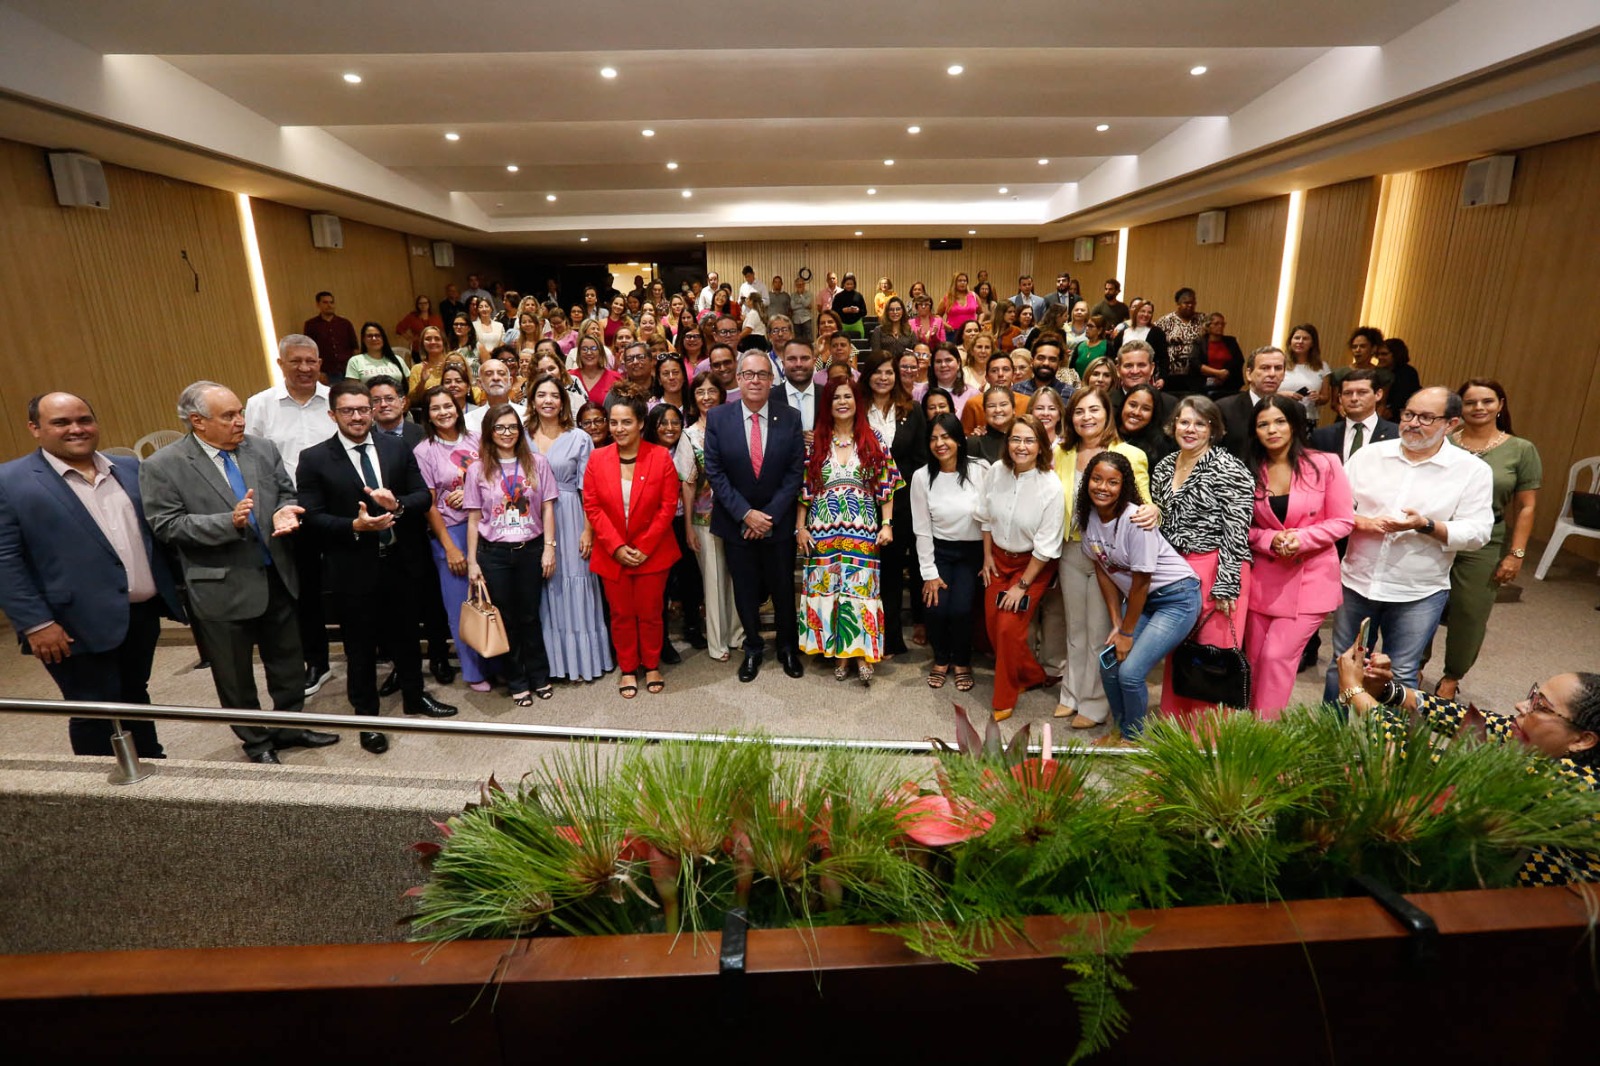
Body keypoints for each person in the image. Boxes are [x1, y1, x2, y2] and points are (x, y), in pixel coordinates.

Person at [141, 381, 340, 763]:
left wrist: (285, 509)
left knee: (287, 664)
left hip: (276, 576)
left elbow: (285, 491)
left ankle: (289, 727)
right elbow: (166, 526)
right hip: (221, 586)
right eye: (229, 415)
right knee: (235, 677)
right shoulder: (163, 466)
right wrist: (226, 522)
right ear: (197, 422)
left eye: (240, 412)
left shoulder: (261, 449)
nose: (240, 421)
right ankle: (257, 742)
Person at [0, 392, 185, 758]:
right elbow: (5, 559)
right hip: (68, 625)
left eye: (84, 419)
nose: (76, 429)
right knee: (91, 708)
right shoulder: (10, 481)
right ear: (35, 428)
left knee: (135, 694)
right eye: (61, 422)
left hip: (139, 613)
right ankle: (97, 794)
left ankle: (153, 765)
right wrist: (35, 623)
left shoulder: (129, 470)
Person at [1339, 643, 1600, 885]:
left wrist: (1355, 692)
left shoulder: (1578, 788)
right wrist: (1387, 691)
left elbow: (1432, 762)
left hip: (1542, 916)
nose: (1521, 706)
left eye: (1540, 706)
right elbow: (1480, 721)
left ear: (1583, 740)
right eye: (1532, 695)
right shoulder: (1568, 753)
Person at [297, 381, 457, 757]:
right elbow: (313, 518)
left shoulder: (396, 446)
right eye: (348, 410)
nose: (357, 416)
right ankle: (366, 719)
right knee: (361, 648)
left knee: (406, 636)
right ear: (332, 414)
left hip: (401, 562)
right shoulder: (315, 458)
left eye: (363, 409)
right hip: (353, 569)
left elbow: (422, 497)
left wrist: (397, 505)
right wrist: (354, 526)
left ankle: (415, 698)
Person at [1321, 387, 1494, 703]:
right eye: (1409, 414)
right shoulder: (1370, 456)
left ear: (1451, 424)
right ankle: (1329, 739)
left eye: (1426, 417)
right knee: (1343, 666)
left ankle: (1387, 748)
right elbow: (1335, 508)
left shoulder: (1471, 470)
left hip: (1418, 590)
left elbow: (1478, 532)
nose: (1413, 423)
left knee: (1401, 672)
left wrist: (1426, 525)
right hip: (1358, 580)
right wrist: (1362, 522)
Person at [1044, 386, 1152, 729]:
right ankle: (1071, 694)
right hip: (1071, 549)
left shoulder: (1128, 453)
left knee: (1099, 631)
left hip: (1108, 556)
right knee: (1074, 629)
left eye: (1094, 410)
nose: (1086, 417)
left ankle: (1095, 702)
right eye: (1078, 411)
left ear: (1107, 413)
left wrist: (1155, 513)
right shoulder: (1061, 452)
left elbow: (1145, 503)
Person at [1078, 450, 1203, 744]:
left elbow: (1141, 582)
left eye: (1112, 482)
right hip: (1142, 601)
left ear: (1124, 487)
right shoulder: (1088, 518)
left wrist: (1127, 632)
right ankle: (1122, 730)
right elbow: (1103, 568)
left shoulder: (1136, 520)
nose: (1102, 487)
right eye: (1096, 479)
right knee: (1109, 665)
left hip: (1176, 598)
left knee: (1131, 673)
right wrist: (1115, 621)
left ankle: (1133, 740)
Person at [1242, 396, 1354, 717]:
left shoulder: (1324, 464)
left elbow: (1343, 521)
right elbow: (1239, 527)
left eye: (1280, 421)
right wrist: (1269, 539)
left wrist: (1301, 538)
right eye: (1263, 424)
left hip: (1311, 579)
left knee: (1277, 658)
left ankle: (1265, 738)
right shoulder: (1250, 469)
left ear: (1294, 424)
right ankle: (1253, 729)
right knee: (1254, 661)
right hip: (1264, 579)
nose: (1272, 430)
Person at [1148, 395, 1256, 719]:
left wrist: (1226, 585)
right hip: (1175, 571)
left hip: (1216, 568)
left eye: (1199, 423)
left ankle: (1206, 742)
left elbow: (1237, 531)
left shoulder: (1229, 467)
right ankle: (1174, 734)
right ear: (1173, 426)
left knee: (1211, 657)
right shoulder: (1166, 465)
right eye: (1184, 422)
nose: (1190, 429)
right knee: (1180, 652)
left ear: (1213, 428)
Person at [703, 351, 808, 682]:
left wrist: (769, 516)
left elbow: (794, 474)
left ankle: (787, 647)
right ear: (737, 379)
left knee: (781, 589)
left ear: (772, 380)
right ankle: (752, 649)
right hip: (737, 524)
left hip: (777, 523)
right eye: (749, 375)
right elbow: (715, 473)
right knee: (745, 592)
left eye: (762, 375)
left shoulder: (790, 417)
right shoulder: (719, 418)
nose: (755, 381)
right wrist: (747, 515)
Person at [1435, 379, 1542, 700]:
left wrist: (1516, 553)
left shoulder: (1521, 449)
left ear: (1500, 404)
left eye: (1487, 401)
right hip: (1434, 534)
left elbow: (1526, 507)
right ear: (1459, 408)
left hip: (1484, 540)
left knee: (1470, 611)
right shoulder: (1443, 441)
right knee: (1421, 604)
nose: (1478, 408)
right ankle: (1413, 665)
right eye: (1470, 402)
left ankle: (1452, 677)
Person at [244, 334, 336, 697]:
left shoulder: (335, 400)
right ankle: (317, 660)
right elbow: (250, 456)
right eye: (296, 361)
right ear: (281, 364)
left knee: (352, 583)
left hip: (337, 509)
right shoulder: (261, 405)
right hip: (288, 511)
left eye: (311, 361)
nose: (304, 368)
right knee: (304, 590)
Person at [795, 378, 903, 684]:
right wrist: (799, 528)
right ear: (827, 405)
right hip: (822, 531)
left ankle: (861, 654)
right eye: (835, 398)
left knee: (860, 592)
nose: (842, 402)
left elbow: (887, 485)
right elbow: (806, 488)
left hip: (863, 530)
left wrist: (887, 523)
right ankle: (840, 656)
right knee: (829, 591)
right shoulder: (816, 441)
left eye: (848, 396)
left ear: (857, 401)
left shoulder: (873, 439)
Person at [582, 396, 681, 698]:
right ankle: (627, 667)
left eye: (626, 422)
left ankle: (651, 664)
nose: (619, 428)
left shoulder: (660, 457)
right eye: (614, 422)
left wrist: (644, 546)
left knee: (651, 612)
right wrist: (616, 547)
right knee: (621, 614)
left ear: (640, 424)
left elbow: (668, 506)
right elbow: (592, 506)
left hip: (652, 552)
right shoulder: (597, 459)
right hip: (613, 553)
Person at [464, 403, 559, 706]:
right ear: (490, 432)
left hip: (530, 550)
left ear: (520, 431)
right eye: (500, 428)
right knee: (506, 619)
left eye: (512, 427)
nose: (507, 433)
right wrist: (472, 562)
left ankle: (539, 676)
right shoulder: (478, 468)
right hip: (494, 554)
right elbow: (474, 518)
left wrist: (549, 548)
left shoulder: (537, 463)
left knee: (530, 616)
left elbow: (547, 508)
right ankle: (517, 680)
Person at [522, 375, 614, 684]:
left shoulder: (579, 438)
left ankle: (585, 662)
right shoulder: (521, 437)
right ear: (532, 400)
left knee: (577, 582)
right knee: (545, 589)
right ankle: (553, 664)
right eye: (541, 394)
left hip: (572, 515)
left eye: (554, 395)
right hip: (532, 520)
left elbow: (589, 489)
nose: (548, 400)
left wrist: (588, 531)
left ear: (563, 402)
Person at [976, 413, 1064, 722]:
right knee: (991, 625)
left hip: (1033, 567)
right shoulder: (996, 471)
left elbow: (1046, 546)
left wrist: (1021, 586)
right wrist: (987, 557)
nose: (1021, 446)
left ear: (1041, 446)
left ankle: (1005, 697)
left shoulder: (1051, 486)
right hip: (997, 558)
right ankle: (1032, 675)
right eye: (1016, 439)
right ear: (1007, 442)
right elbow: (985, 517)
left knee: (1008, 628)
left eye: (1029, 440)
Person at [413, 385, 491, 692]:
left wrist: (471, 489)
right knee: (462, 603)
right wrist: (448, 547)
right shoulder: (424, 450)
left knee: (490, 598)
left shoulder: (476, 438)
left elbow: (493, 474)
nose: (443, 412)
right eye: (435, 408)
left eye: (448, 406)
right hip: (451, 532)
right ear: (428, 415)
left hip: (486, 526)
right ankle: (474, 671)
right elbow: (428, 503)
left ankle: (497, 661)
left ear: (458, 408)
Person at [911, 413, 988, 692]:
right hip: (939, 551)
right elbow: (921, 528)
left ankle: (962, 661)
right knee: (935, 606)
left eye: (946, 436)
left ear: (958, 438)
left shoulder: (980, 470)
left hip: (972, 552)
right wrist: (929, 572)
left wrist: (989, 557)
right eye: (933, 438)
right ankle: (941, 658)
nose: (939, 443)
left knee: (961, 609)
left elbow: (990, 518)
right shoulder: (922, 477)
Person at [863, 353, 927, 658]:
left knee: (890, 571)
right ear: (868, 376)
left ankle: (889, 640)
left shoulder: (911, 411)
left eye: (889, 372)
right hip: (861, 503)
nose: (884, 378)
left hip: (901, 505)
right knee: (865, 571)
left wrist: (898, 486)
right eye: (877, 372)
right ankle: (861, 637)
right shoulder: (858, 410)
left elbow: (920, 458)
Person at [684, 373, 745, 661]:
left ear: (722, 395)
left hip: (736, 514)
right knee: (713, 580)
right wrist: (688, 528)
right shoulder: (689, 435)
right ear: (694, 399)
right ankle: (717, 642)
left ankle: (737, 634)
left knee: (736, 577)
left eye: (712, 391)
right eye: (700, 392)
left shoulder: (734, 428)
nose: (706, 397)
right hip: (704, 516)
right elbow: (688, 483)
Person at [643, 402, 701, 660]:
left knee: (690, 576)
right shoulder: (645, 453)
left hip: (684, 520)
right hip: (656, 525)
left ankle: (692, 626)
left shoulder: (687, 447)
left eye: (675, 423)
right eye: (663, 423)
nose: (670, 428)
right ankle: (662, 639)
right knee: (661, 586)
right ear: (653, 427)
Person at [1309, 369, 1397, 462]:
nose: (1354, 398)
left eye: (1362, 392)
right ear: (1340, 398)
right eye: (1348, 393)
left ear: (1378, 395)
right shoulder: (1322, 436)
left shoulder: (1396, 435)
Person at [1217, 345, 1286, 458]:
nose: (1272, 374)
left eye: (1278, 368)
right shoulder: (1224, 408)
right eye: (1265, 368)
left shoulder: (1295, 410)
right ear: (1249, 374)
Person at [1153, 288, 1206, 394]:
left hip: (1195, 374)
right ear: (1178, 303)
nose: (1190, 305)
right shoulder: (1165, 321)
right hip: (1170, 373)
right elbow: (1155, 342)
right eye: (1186, 303)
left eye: (1193, 303)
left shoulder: (1202, 319)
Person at [303, 291, 359, 381]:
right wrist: (318, 371)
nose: (329, 305)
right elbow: (309, 350)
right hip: (326, 371)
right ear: (318, 305)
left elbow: (355, 347)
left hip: (348, 370)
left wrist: (356, 369)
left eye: (331, 302)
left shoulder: (345, 323)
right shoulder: (311, 325)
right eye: (325, 302)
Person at [1282, 323, 1331, 425]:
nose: (1300, 342)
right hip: (1280, 415)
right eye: (1297, 338)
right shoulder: (1280, 363)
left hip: (1308, 417)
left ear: (1313, 343)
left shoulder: (1322, 366)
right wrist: (1286, 394)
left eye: (1305, 339)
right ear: (1290, 341)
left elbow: (1325, 397)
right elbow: (1267, 392)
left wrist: (1319, 397)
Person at [1107, 298, 1168, 379]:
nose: (1146, 314)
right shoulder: (1123, 333)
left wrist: (1162, 378)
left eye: (1149, 312)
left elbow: (1164, 358)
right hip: (1124, 377)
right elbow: (1114, 355)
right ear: (1136, 312)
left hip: (1147, 378)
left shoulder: (1157, 333)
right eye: (1142, 311)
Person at [1117, 383, 1176, 465]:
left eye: (1146, 409)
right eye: (1132, 405)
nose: (1137, 412)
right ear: (1123, 405)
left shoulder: (1160, 446)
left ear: (1153, 414)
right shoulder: (1105, 434)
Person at [1196, 312, 1244, 399]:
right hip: (1206, 384)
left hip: (1230, 383)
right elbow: (1195, 363)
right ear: (1208, 326)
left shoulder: (1231, 341)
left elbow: (1239, 360)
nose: (1220, 326)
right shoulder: (1199, 342)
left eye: (1222, 324)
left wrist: (1225, 373)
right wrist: (1217, 373)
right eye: (1216, 324)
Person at [346, 322, 410, 383]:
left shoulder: (398, 360)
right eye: (369, 336)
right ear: (363, 340)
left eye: (377, 335)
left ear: (383, 338)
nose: (374, 339)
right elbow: (353, 390)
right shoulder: (355, 361)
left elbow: (408, 384)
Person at [1378, 338, 1421, 422]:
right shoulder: (1378, 372)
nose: (1380, 357)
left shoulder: (1408, 372)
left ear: (1396, 354)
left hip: (1399, 418)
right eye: (1378, 354)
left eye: (1384, 354)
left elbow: (1406, 398)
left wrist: (1391, 410)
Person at [938, 272, 979, 344]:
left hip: (971, 332)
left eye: (965, 281)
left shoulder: (973, 295)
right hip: (953, 332)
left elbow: (981, 313)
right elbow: (938, 315)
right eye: (960, 281)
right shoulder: (947, 297)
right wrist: (945, 324)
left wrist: (979, 323)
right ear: (954, 283)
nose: (962, 283)